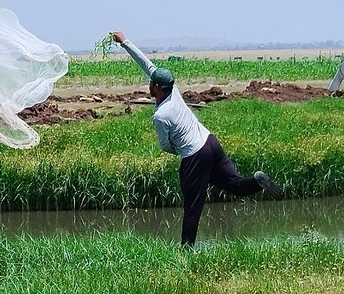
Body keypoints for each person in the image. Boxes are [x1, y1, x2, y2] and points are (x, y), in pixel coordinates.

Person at [110, 31, 282, 246]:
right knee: (236, 184)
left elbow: (165, 145)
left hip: (195, 155)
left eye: (151, 83)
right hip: (210, 142)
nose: (149, 83)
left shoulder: (161, 115)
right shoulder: (173, 90)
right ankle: (256, 181)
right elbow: (147, 64)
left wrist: (182, 151)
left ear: (156, 88)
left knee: (193, 206)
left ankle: (186, 250)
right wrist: (124, 42)